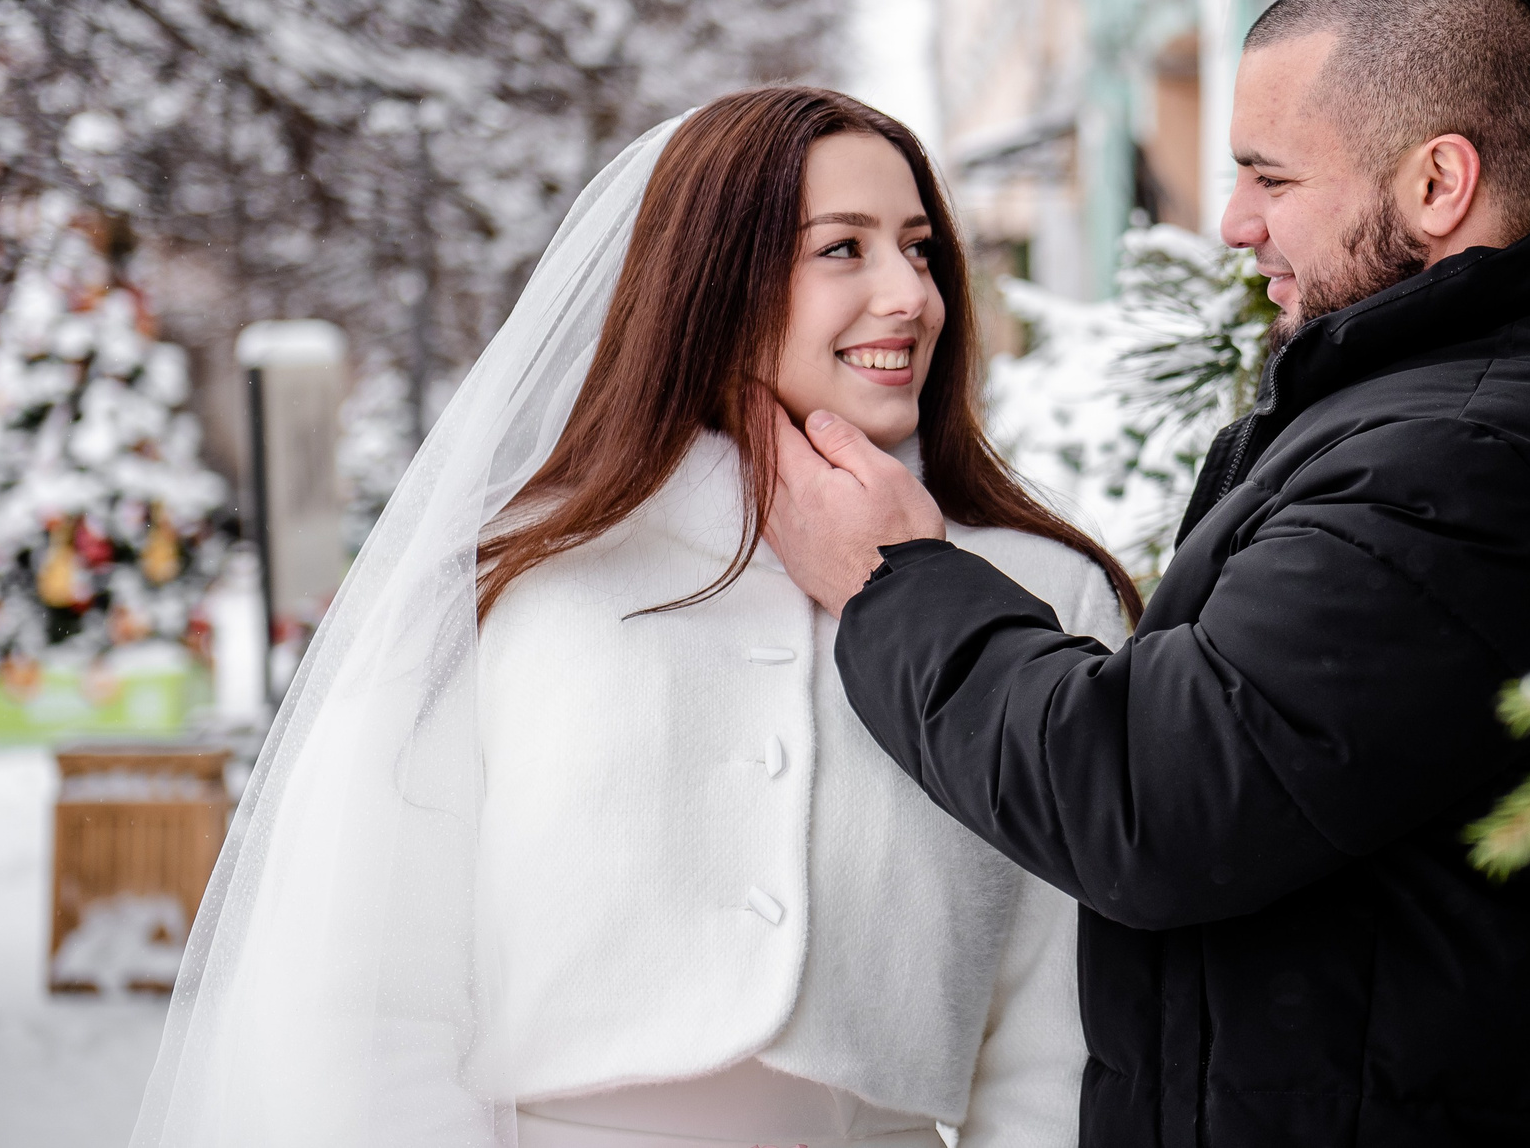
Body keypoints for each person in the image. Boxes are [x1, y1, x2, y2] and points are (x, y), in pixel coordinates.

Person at [762, 0, 1530, 1148]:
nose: (1233, 221)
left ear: (1438, 181)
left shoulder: (1476, 450)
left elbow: (1152, 797)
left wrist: (892, 579)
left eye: (1269, 175)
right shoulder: (1448, 403)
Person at [132, 88, 1131, 1148]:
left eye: (921, 248)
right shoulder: (515, 577)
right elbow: (366, 992)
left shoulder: (1043, 594)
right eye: (842, 248)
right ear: (710, 280)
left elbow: (1055, 1043)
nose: (909, 294)